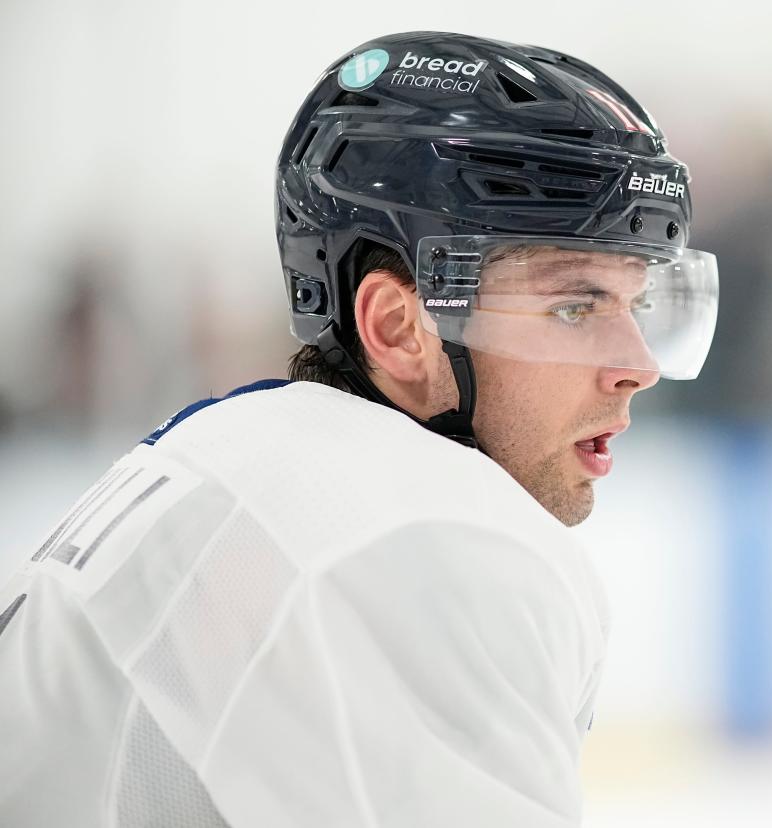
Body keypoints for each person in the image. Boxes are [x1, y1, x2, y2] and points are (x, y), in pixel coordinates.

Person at [0, 31, 718, 827]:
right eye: (574, 306)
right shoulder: (424, 532)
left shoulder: (241, 448)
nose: (638, 364)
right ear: (400, 327)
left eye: (637, 304)